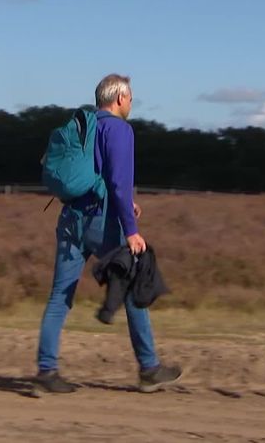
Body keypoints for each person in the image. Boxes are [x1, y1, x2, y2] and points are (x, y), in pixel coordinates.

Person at [35, 74, 182, 394]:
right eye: (130, 98)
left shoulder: (84, 126)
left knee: (60, 296)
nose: (131, 103)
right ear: (118, 98)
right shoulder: (119, 129)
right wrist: (131, 229)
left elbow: (100, 177)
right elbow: (118, 180)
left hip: (70, 217)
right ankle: (149, 368)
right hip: (102, 221)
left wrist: (126, 204)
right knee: (133, 285)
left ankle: (46, 373)